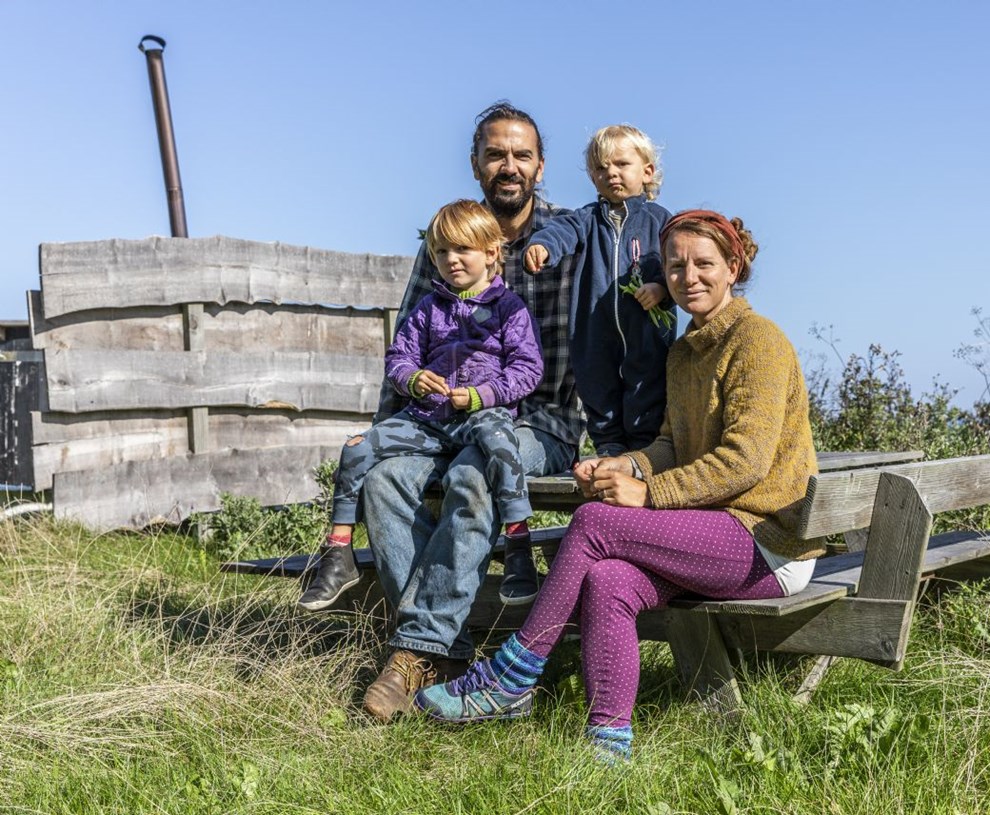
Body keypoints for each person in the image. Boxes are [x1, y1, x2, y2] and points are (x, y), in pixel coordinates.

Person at [415, 210, 821, 762]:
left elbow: (744, 463)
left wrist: (649, 494)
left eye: (704, 264)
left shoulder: (758, 341)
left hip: (767, 544)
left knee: (593, 522)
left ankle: (513, 674)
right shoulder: (685, 351)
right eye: (674, 266)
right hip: (715, 532)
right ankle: (608, 744)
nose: (688, 277)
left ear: (733, 267)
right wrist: (624, 465)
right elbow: (671, 444)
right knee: (608, 579)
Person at [359, 103, 584, 721]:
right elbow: (406, 344)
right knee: (383, 482)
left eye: (521, 155)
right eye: (495, 154)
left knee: (474, 474)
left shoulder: (570, 239)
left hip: (539, 421)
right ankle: (450, 656)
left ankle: (411, 655)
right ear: (476, 164)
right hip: (445, 421)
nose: (508, 166)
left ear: (540, 166)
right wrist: (386, 433)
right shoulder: (448, 242)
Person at [297, 199, 544, 612]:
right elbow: (399, 358)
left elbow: (527, 370)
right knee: (356, 448)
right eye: (441, 251)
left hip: (482, 416)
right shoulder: (429, 308)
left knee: (503, 446)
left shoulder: (509, 310)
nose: (451, 259)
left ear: (490, 253)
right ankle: (338, 553)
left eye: (462, 249)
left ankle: (518, 544)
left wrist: (481, 395)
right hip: (428, 419)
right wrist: (413, 379)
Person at [524, 125, 676, 455]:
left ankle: (644, 450)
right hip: (594, 327)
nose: (611, 173)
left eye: (621, 164)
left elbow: (678, 262)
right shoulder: (587, 219)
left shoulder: (660, 221)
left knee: (647, 384)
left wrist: (662, 288)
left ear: (647, 171)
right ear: (593, 178)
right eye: (601, 167)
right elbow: (561, 231)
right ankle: (609, 446)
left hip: (646, 331)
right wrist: (543, 246)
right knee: (596, 383)